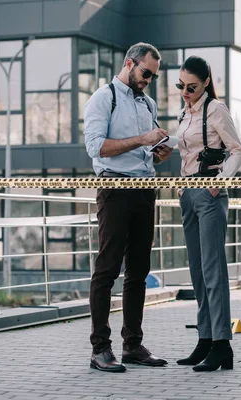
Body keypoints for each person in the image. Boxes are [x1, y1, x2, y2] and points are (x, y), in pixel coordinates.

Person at [84, 42, 171, 372]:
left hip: (145, 190)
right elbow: (96, 147)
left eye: (154, 76)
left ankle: (133, 345)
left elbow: (146, 150)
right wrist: (143, 140)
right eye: (146, 73)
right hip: (115, 189)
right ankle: (99, 349)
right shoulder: (103, 97)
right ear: (129, 63)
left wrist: (158, 153)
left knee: (138, 271)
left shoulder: (147, 103)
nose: (149, 79)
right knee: (107, 269)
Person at [174, 56, 241, 372]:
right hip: (187, 194)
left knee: (214, 270)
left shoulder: (215, 109)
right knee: (198, 272)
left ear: (205, 83)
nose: (185, 92)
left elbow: (238, 150)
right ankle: (205, 339)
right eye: (181, 86)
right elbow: (188, 153)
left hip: (209, 193)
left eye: (191, 87)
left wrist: (219, 183)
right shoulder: (184, 113)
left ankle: (222, 345)